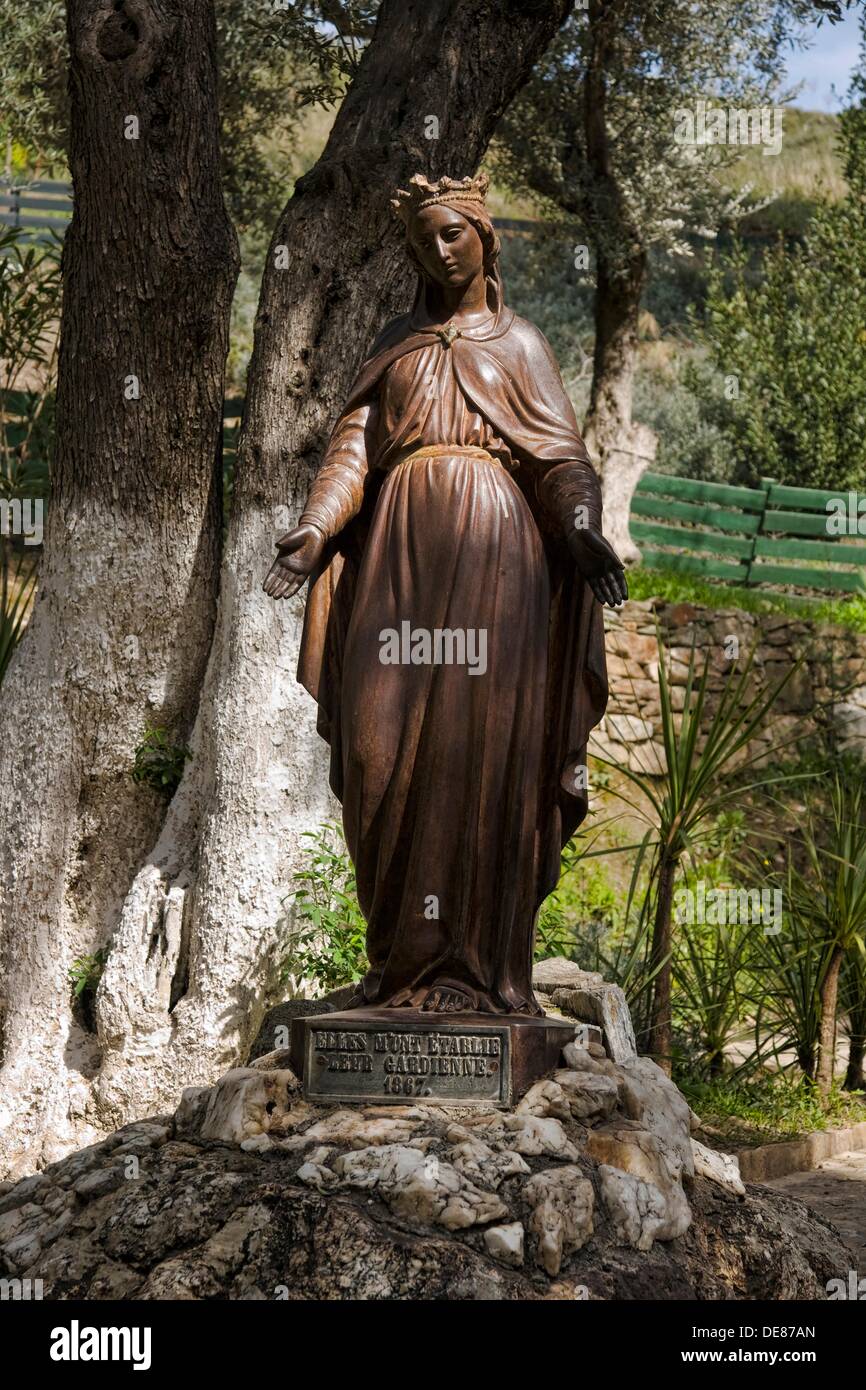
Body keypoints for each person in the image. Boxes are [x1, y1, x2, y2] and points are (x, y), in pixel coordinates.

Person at [264, 172, 626, 1016]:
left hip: (495, 562)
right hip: (397, 555)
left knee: (480, 750)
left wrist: (578, 526)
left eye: (453, 231)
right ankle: (398, 963)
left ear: (485, 237)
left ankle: (471, 970)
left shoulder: (520, 345)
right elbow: (352, 451)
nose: (439, 247)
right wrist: (317, 531)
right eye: (423, 236)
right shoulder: (396, 343)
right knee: (375, 745)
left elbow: (561, 461)